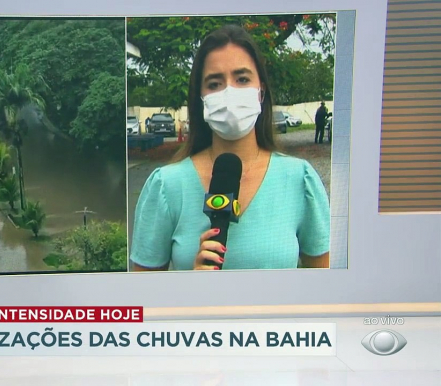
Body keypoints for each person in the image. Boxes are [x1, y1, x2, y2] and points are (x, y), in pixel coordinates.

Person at [129, 25, 330, 271]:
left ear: (261, 91)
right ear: (200, 97)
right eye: (214, 84)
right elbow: (144, 301)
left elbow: (325, 291)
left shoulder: (300, 180)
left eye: (242, 79)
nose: (229, 93)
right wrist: (188, 289)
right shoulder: (167, 186)